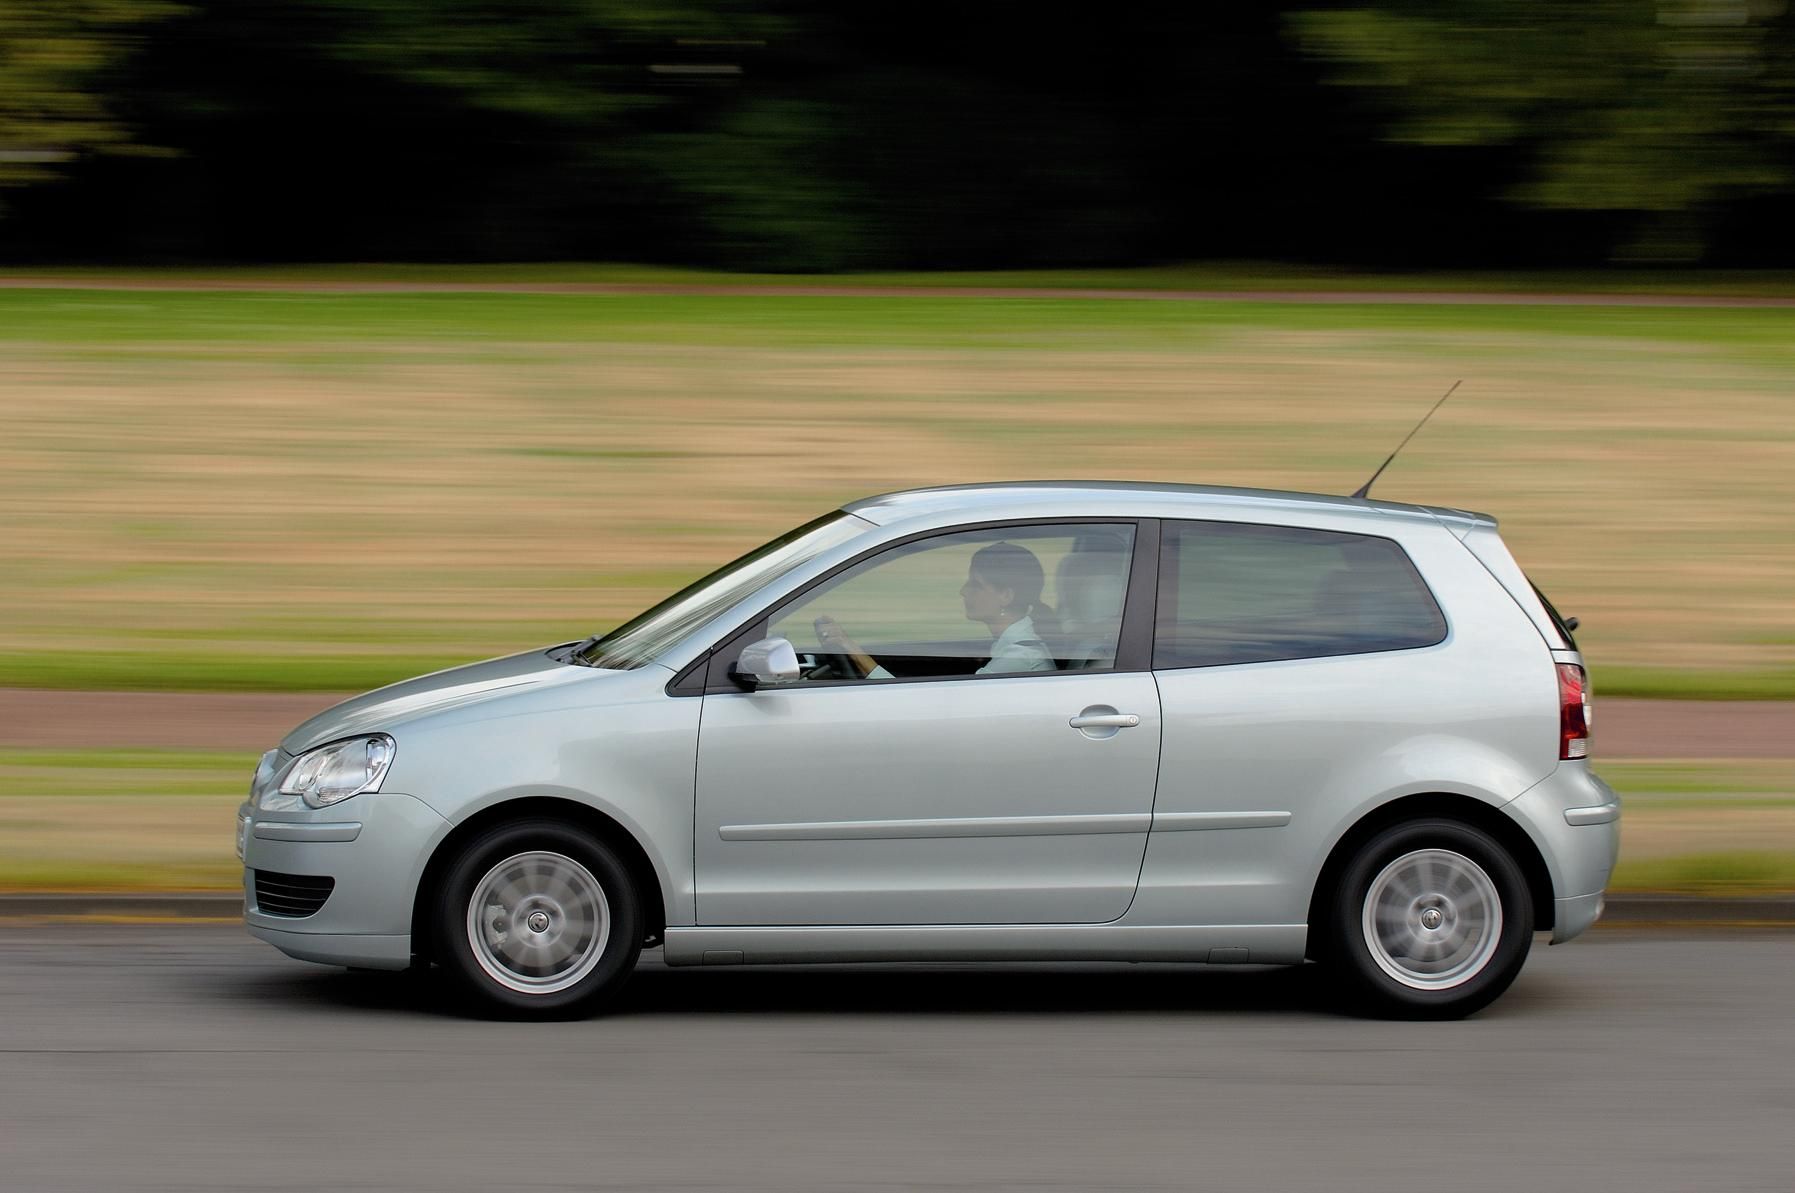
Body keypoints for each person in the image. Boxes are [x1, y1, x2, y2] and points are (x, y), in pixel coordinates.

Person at [816, 541, 1057, 679]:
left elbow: (911, 705)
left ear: (1006, 595)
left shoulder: (1017, 657)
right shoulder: (1011, 646)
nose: (963, 591)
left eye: (976, 584)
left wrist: (852, 649)